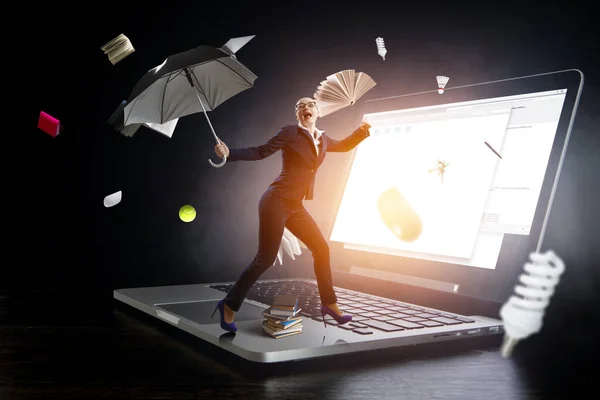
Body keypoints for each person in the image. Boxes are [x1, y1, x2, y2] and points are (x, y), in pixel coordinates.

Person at [211, 97, 371, 332]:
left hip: (296, 205)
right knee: (265, 259)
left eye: (310, 105)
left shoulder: (323, 138)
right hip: (275, 201)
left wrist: (363, 130)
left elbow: (345, 145)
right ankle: (229, 304)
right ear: (297, 114)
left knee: (322, 249)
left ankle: (330, 304)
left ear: (318, 111)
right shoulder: (290, 132)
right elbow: (261, 151)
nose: (306, 108)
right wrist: (229, 153)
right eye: (300, 106)